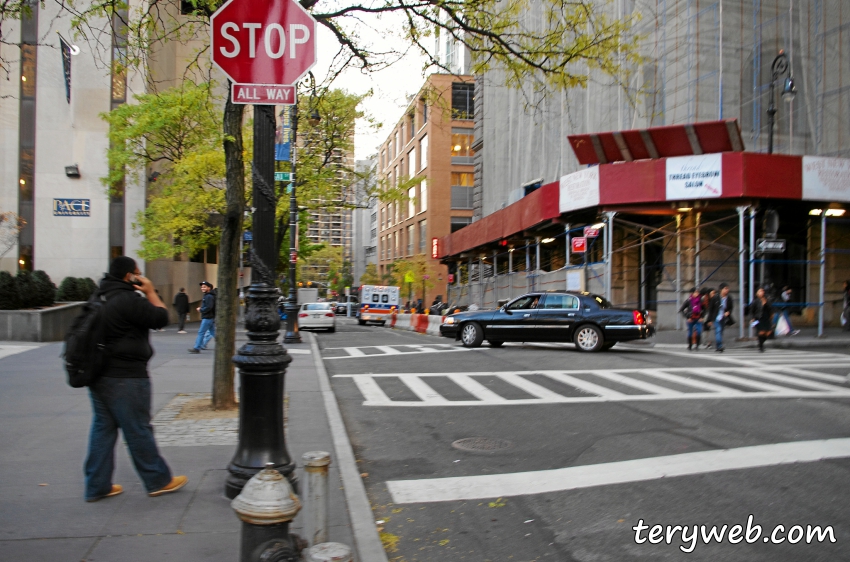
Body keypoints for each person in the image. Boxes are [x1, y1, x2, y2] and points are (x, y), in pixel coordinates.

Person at [85, 256, 187, 502]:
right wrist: (150, 291)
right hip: (126, 376)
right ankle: (157, 480)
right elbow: (162, 318)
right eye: (138, 273)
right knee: (138, 428)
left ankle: (97, 486)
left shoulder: (98, 297)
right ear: (129, 276)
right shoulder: (128, 300)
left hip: (97, 375)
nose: (140, 277)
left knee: (103, 429)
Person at [188, 281, 215, 353]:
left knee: (201, 332)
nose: (202, 288)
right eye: (202, 287)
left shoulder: (209, 296)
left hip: (207, 317)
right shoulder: (208, 295)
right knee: (213, 333)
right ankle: (223, 345)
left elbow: (209, 307)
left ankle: (197, 348)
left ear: (209, 288)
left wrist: (201, 309)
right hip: (209, 317)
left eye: (204, 287)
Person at [707, 283, 734, 352]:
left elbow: (730, 307)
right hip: (716, 317)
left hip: (724, 317)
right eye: (725, 288)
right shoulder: (715, 298)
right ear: (721, 290)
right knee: (718, 330)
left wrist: (728, 312)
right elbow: (711, 309)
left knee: (721, 331)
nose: (727, 290)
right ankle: (720, 345)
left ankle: (718, 346)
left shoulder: (729, 298)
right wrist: (709, 320)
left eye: (727, 288)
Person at [749, 287, 774, 352]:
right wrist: (752, 318)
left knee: (768, 332)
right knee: (761, 332)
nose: (762, 292)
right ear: (757, 293)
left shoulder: (766, 299)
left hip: (766, 317)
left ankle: (760, 343)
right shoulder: (755, 301)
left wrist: (771, 315)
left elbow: (770, 308)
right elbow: (752, 310)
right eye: (760, 291)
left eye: (762, 291)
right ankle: (761, 346)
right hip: (759, 317)